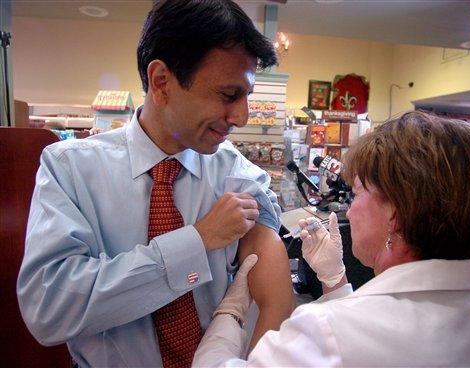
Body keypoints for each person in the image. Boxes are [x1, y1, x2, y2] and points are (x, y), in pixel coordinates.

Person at [17, 1, 294, 367]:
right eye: (229, 96)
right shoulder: (70, 169)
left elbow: (273, 287)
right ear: (162, 82)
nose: (241, 116)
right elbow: (49, 309)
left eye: (247, 96)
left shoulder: (237, 174)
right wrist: (196, 242)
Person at [193, 111, 470, 367]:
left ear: (395, 214)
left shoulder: (328, 330)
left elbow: (347, 338)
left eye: (357, 194)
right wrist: (335, 282)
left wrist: (229, 318)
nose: (350, 210)